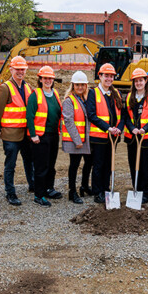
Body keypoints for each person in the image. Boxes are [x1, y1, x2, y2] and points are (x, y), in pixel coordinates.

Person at [0, 56, 35, 205]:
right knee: (10, 164)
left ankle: (33, 184)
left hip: (25, 134)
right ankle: (10, 192)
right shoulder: (5, 87)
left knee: (29, 161)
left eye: (22, 69)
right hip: (11, 134)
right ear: (11, 69)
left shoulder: (28, 87)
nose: (20, 72)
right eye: (17, 69)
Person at [86, 63, 124, 204]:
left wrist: (119, 128)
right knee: (98, 165)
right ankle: (97, 192)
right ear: (100, 76)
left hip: (113, 137)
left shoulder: (117, 93)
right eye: (106, 76)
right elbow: (91, 115)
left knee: (109, 165)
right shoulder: (93, 93)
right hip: (99, 137)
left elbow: (122, 115)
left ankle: (106, 189)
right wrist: (107, 128)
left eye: (111, 76)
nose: (108, 78)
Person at [26, 66, 63, 207]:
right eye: (45, 78)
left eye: (50, 78)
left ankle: (49, 188)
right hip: (40, 137)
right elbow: (29, 116)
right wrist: (33, 135)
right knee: (41, 166)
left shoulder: (55, 94)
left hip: (53, 135)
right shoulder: (35, 94)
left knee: (51, 165)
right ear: (40, 79)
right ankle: (39, 194)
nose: (48, 80)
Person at [123, 68, 148, 204]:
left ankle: (146, 192)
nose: (138, 83)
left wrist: (144, 129)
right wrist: (132, 128)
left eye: (141, 80)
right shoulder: (128, 97)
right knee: (133, 164)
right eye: (136, 81)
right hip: (132, 138)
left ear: (145, 81)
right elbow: (125, 117)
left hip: (147, 138)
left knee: (145, 165)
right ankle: (136, 189)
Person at [61, 71, 92, 204]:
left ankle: (84, 186)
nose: (80, 87)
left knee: (89, 163)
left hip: (87, 139)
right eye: (77, 85)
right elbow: (69, 121)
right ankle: (72, 191)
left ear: (86, 86)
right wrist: (77, 140)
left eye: (82, 85)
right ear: (73, 86)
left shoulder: (86, 99)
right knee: (74, 165)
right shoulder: (69, 101)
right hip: (76, 140)